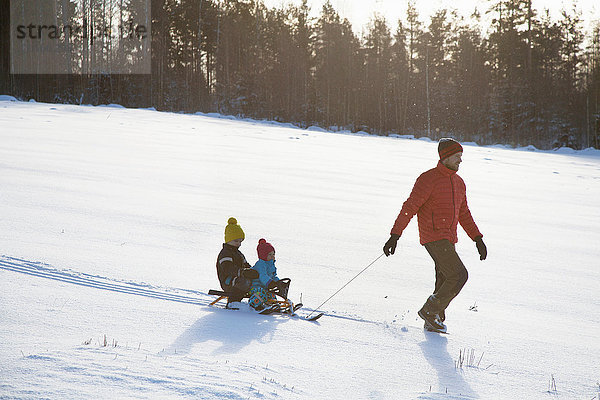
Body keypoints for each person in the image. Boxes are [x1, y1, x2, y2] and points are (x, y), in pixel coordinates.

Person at [383, 138, 487, 332]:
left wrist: (477, 238)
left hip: (449, 238)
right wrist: (395, 235)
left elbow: (464, 213)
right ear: (445, 157)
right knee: (458, 275)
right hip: (433, 237)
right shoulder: (428, 179)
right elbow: (410, 207)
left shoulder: (459, 183)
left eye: (461, 157)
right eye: (457, 157)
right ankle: (430, 311)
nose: (460, 161)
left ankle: (435, 319)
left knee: (444, 279)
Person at [216, 217, 258, 307]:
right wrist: (243, 272)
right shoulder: (225, 253)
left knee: (256, 281)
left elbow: (246, 265)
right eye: (236, 241)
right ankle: (233, 302)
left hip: (238, 278)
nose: (239, 244)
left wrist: (252, 271)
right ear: (228, 240)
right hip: (228, 281)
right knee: (244, 282)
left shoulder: (239, 254)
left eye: (240, 241)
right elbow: (228, 268)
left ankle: (260, 301)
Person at [248, 239, 288, 311]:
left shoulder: (271, 264)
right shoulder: (261, 264)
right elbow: (263, 276)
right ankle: (254, 304)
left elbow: (273, 276)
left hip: (265, 286)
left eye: (273, 254)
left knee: (271, 294)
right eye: (270, 254)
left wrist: (278, 282)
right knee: (262, 293)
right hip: (255, 286)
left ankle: (273, 305)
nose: (272, 256)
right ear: (263, 255)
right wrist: (270, 283)